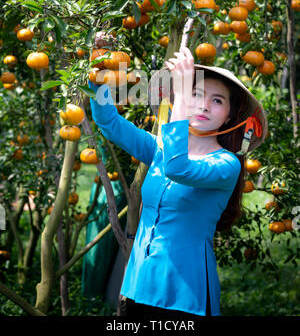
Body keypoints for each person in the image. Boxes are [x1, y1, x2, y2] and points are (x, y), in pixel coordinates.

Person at [88, 46, 268, 318]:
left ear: (230, 115)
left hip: (185, 296)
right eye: (196, 94)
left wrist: (183, 94)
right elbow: (108, 121)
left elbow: (178, 168)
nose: (204, 105)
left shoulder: (226, 164)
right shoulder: (160, 150)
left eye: (217, 100)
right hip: (138, 285)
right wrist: (99, 69)